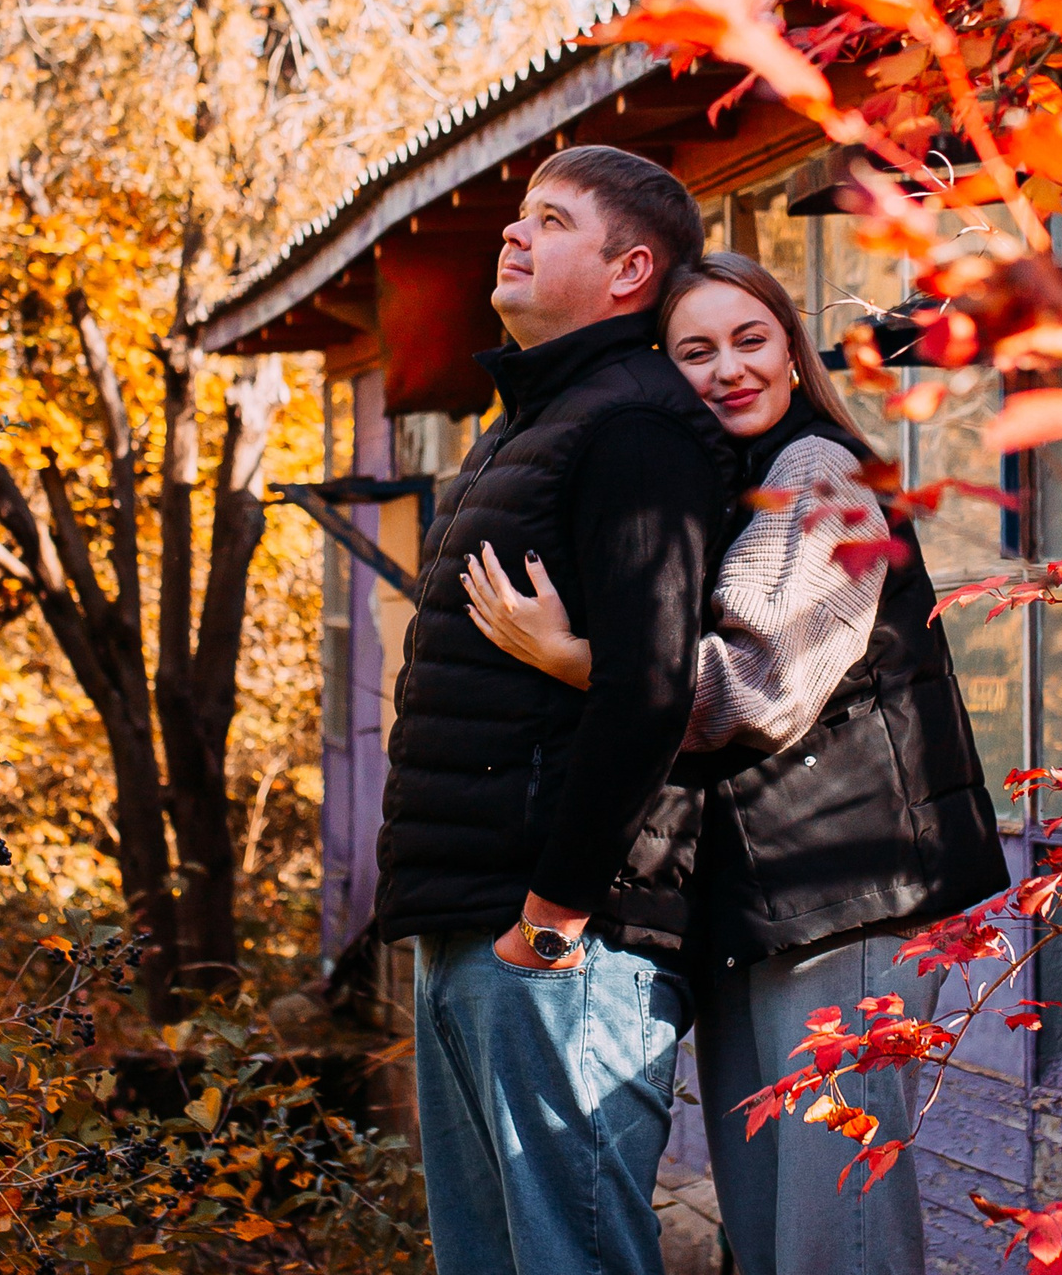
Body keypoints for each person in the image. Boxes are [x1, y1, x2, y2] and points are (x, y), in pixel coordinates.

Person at [464, 249, 1008, 1275]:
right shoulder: (738, 485)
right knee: (766, 1228)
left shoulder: (816, 472)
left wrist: (575, 658)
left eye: (750, 341)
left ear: (793, 354)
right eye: (695, 352)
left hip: (848, 896)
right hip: (770, 903)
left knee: (832, 1231)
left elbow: (755, 688)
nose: (727, 370)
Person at [374, 145, 736, 1275]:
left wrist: (551, 918)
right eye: (517, 217)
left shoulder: (633, 427)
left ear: (629, 271)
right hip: (475, 920)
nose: (511, 235)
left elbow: (649, 690)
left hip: (559, 941)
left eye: (549, 220)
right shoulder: (533, 421)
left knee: (568, 1259)